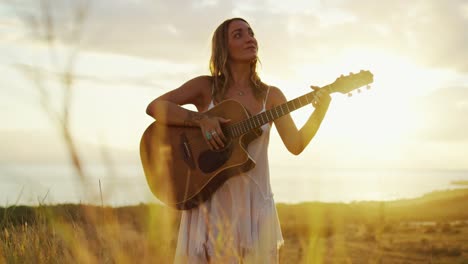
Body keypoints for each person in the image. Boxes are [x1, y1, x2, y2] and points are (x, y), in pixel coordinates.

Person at [146, 17, 331, 263]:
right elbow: (155, 107)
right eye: (238, 34)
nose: (250, 38)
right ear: (224, 47)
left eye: (251, 33)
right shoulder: (205, 87)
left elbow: (295, 145)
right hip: (210, 206)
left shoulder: (272, 96)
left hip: (255, 207)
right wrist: (200, 120)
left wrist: (320, 111)